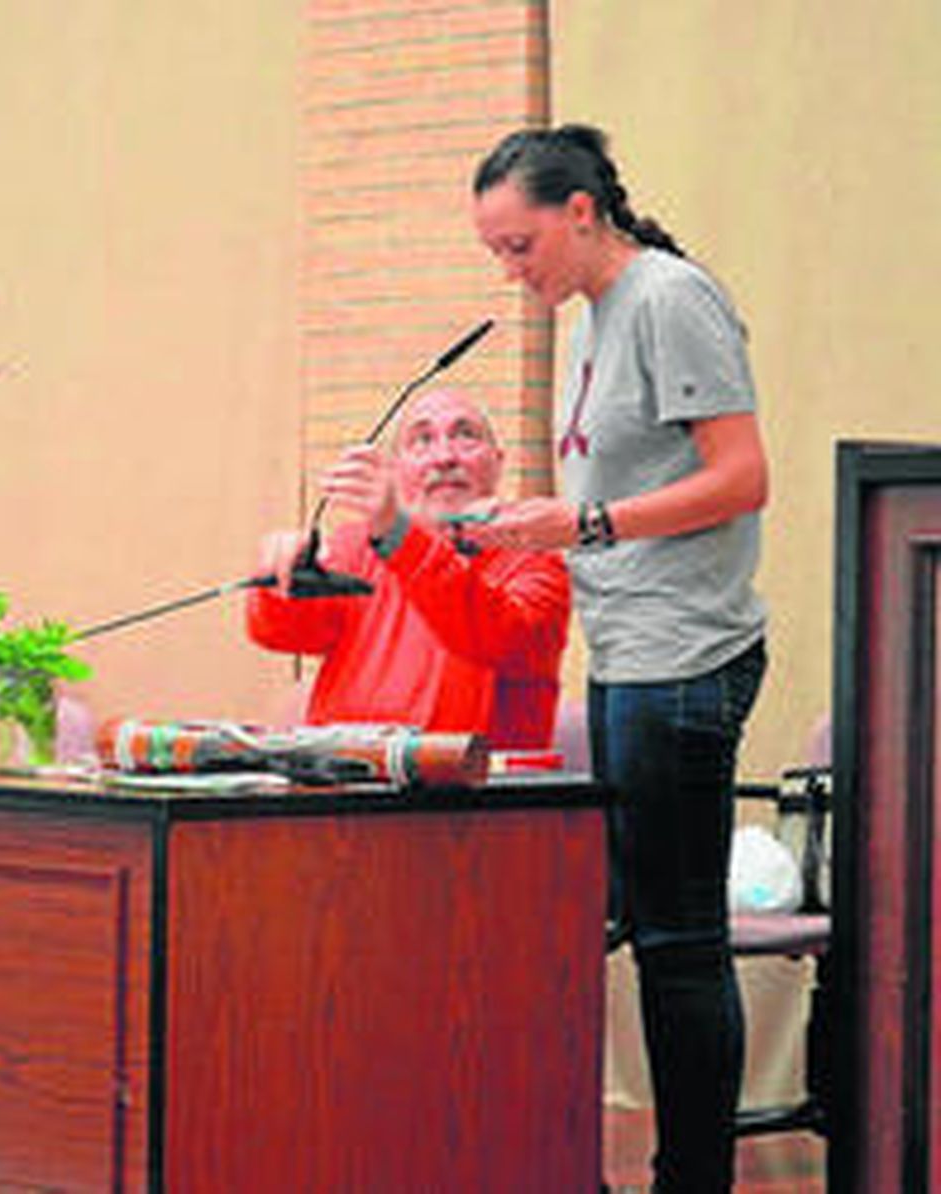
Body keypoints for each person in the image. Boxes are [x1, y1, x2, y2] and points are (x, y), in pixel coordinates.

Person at [468, 124, 768, 1193]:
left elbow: (741, 478)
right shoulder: (594, 317)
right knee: (652, 932)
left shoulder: (668, 299)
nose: (511, 272)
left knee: (680, 943)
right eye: (496, 253)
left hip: (684, 652)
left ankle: (694, 1181)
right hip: (630, 647)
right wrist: (532, 525)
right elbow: (617, 490)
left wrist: (585, 526)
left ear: (582, 212)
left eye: (520, 246)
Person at [245, 388, 569, 749]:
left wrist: (398, 536)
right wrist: (280, 578)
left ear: (498, 461)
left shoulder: (533, 556)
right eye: (422, 440)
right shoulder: (355, 545)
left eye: (465, 435)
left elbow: (504, 635)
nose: (444, 457)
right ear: (396, 470)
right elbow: (285, 633)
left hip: (478, 781)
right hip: (351, 773)